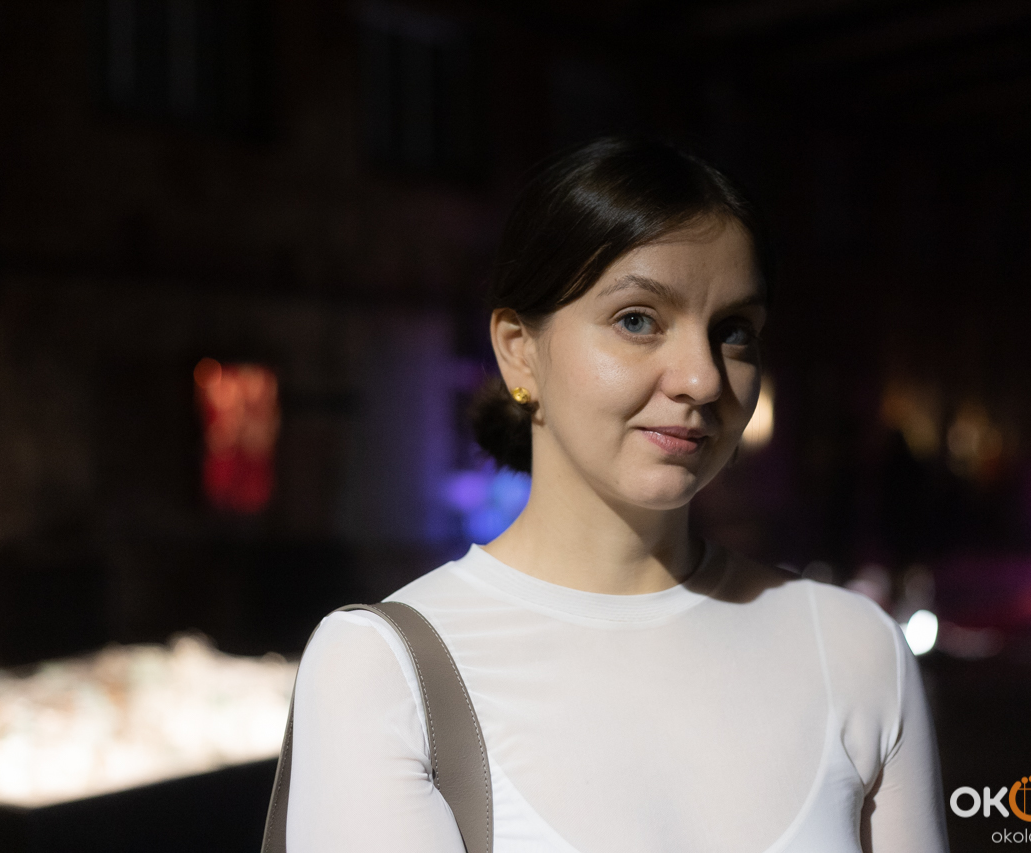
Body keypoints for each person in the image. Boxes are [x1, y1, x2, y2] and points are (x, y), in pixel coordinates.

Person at [286, 137, 949, 852]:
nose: (701, 378)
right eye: (637, 319)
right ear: (519, 350)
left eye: (733, 332)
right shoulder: (385, 669)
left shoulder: (855, 650)